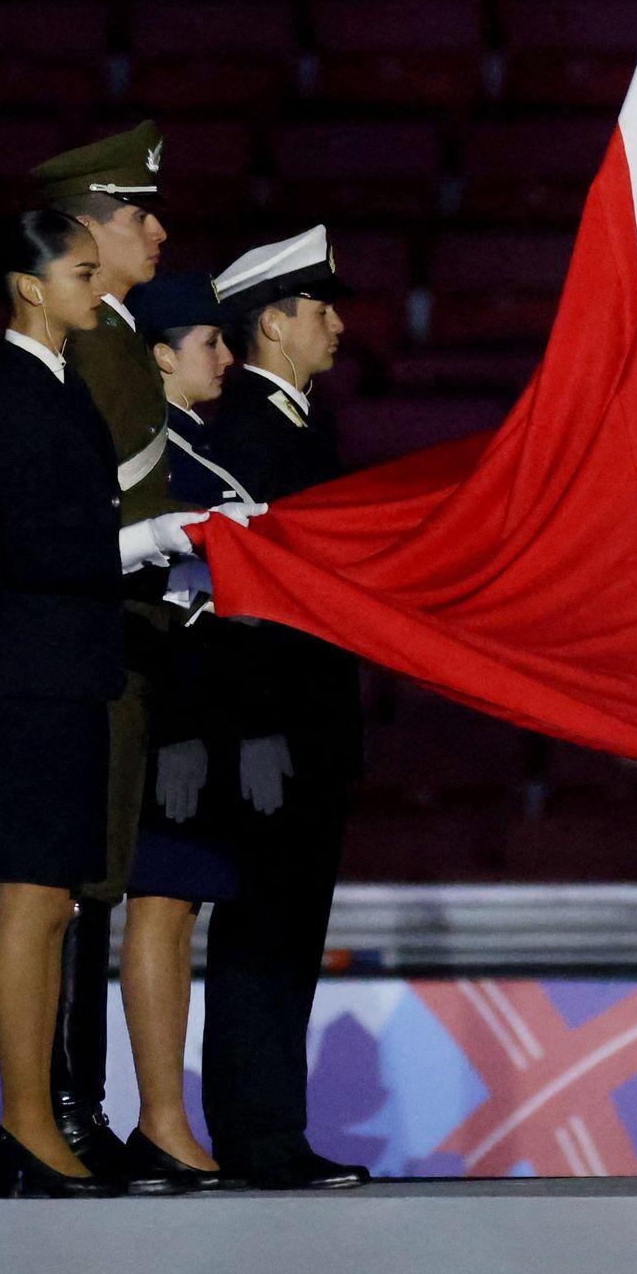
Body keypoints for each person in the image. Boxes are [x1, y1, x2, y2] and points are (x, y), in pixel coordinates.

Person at [0, 205, 224, 1197]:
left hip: (70, 663)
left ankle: (35, 1124)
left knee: (55, 902)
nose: (94, 287)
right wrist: (147, 545)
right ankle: (25, 1122)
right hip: (32, 668)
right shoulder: (10, 387)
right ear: (30, 287)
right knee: (31, 899)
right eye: (78, 273)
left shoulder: (57, 383)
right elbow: (38, 544)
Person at [196, 226, 372, 1189]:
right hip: (272, 727)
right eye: (320, 309)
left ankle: (273, 1129)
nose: (338, 325)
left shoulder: (303, 423)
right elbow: (248, 596)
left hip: (310, 722)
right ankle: (258, 1137)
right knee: (265, 930)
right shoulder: (252, 429)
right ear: (272, 320)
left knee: (290, 931)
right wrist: (258, 726)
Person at [25, 125, 177, 1162]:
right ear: (86, 225)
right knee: (75, 874)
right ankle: (65, 1109)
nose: (155, 229)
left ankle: (81, 1107)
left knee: (100, 869)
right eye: (137, 214)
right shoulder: (87, 341)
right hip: (92, 624)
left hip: (129, 622)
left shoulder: (116, 334)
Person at [116, 267, 270, 1189]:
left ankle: (168, 1120)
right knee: (161, 906)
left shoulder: (205, 441)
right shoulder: (148, 451)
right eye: (209, 342)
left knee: (182, 910)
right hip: (170, 709)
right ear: (161, 355)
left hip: (211, 709)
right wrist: (175, 730)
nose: (226, 354)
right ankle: (161, 1119)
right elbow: (146, 602)